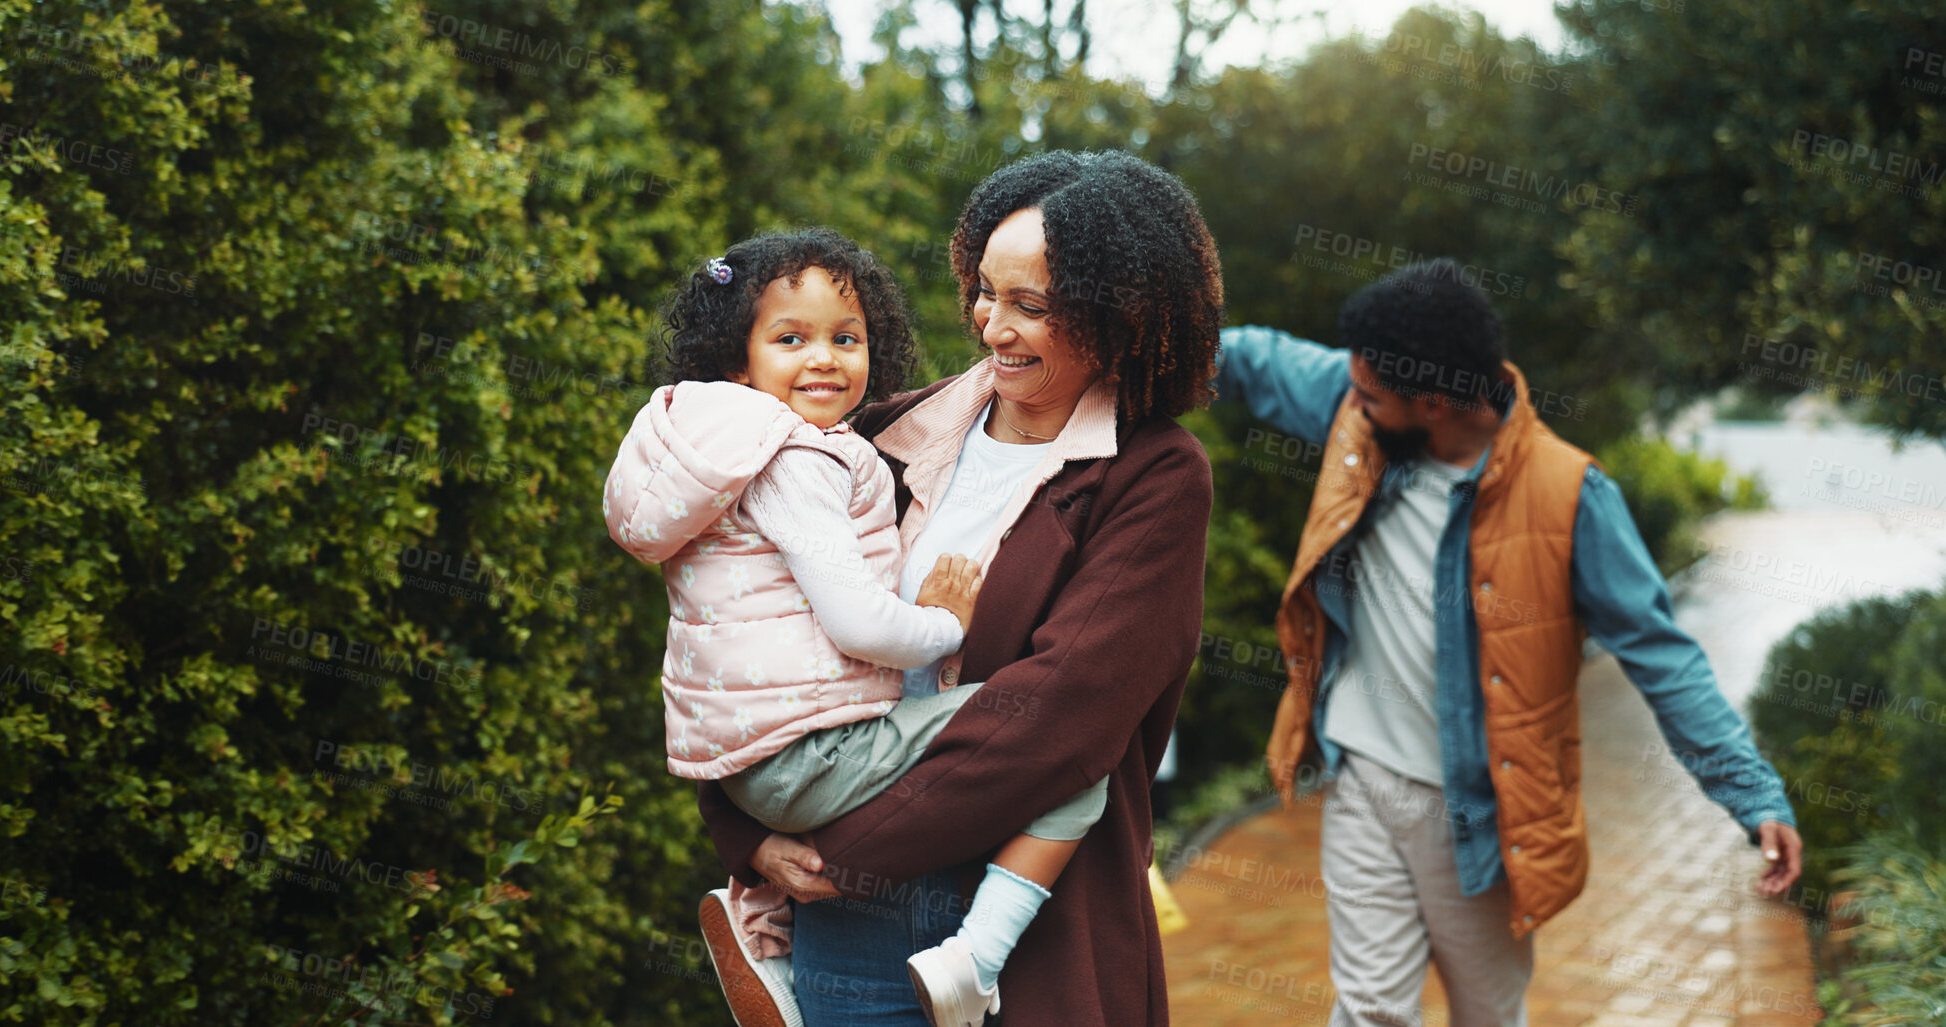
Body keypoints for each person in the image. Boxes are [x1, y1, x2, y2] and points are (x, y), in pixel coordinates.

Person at [693, 149, 1225, 1026]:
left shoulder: (1154, 475)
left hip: (1030, 929)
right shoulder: (880, 433)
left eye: (1032, 307)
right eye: (985, 291)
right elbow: (734, 623)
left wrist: (838, 849)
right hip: (848, 933)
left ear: (1119, 316)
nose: (991, 327)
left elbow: (1062, 718)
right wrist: (745, 830)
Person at [1213, 258, 1806, 1026]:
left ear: (1431, 401)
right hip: (1363, 780)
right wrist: (1120, 348)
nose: (1349, 404)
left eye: (1368, 395)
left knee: (1486, 1013)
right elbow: (1252, 358)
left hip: (1480, 814)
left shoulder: (1570, 495)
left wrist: (1751, 793)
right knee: (1369, 1012)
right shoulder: (1359, 404)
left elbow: (1662, 657)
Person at [603, 227, 1111, 1027]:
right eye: (790, 339)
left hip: (750, 760)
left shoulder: (721, 454)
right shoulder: (798, 458)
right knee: (1072, 750)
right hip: (814, 754)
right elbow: (857, 622)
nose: (825, 359)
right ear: (738, 360)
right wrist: (944, 623)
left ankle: (767, 946)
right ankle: (975, 959)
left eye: (847, 338)